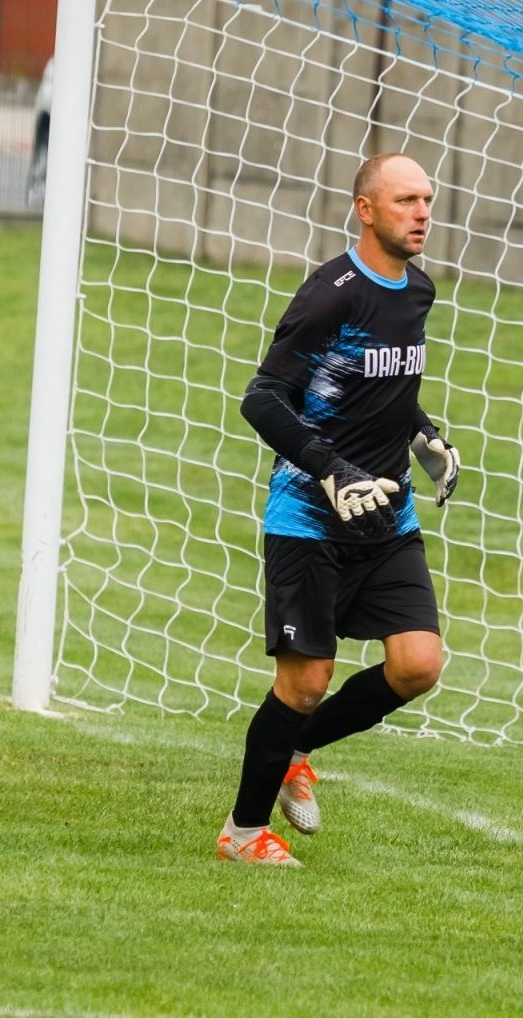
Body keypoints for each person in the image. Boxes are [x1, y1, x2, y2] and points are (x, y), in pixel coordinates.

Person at [217, 153, 462, 866]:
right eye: (406, 200)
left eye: (427, 199)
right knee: (305, 682)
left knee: (419, 664)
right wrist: (331, 472)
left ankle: (298, 750)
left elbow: (383, 384)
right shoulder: (331, 295)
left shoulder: (417, 290)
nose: (422, 213)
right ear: (365, 209)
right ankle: (240, 834)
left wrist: (425, 436)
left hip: (389, 515)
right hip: (310, 515)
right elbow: (263, 397)